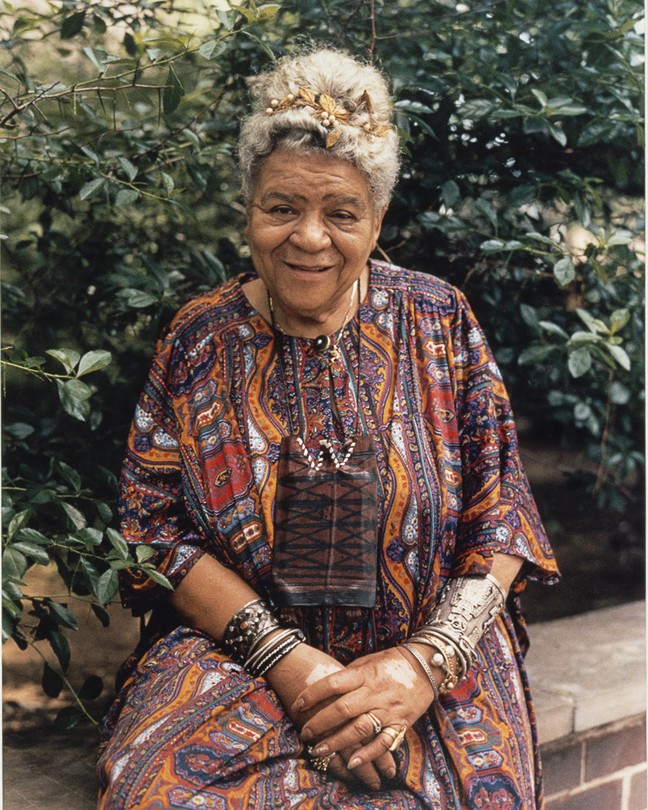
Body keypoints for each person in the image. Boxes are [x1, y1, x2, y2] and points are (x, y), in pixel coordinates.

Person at [97, 47, 559, 809]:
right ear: (248, 206)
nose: (309, 237)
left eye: (340, 213)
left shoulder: (439, 319)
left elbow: (504, 512)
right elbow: (154, 533)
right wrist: (291, 664)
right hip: (238, 659)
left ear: (376, 219)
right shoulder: (197, 340)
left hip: (433, 659)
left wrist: (422, 664)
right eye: (282, 207)